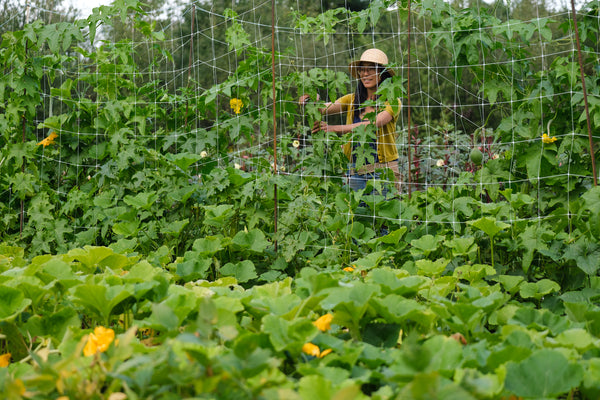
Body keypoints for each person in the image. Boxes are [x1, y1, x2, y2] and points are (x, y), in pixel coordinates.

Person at [300, 48, 402, 193]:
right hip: (356, 173)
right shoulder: (352, 99)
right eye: (362, 70)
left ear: (382, 73)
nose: (365, 74)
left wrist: (334, 128)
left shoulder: (392, 101)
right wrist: (309, 100)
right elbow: (323, 108)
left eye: (370, 69)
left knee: (383, 214)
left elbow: (373, 124)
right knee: (357, 214)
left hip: (384, 171)